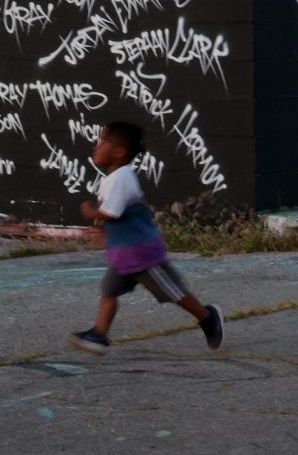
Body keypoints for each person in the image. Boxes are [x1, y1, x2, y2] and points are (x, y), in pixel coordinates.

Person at [67, 120, 224, 355]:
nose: (95, 147)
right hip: (124, 256)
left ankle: (207, 317)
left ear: (119, 152)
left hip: (142, 255)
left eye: (102, 143)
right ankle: (98, 335)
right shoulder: (112, 179)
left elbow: (111, 213)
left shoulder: (122, 177)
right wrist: (102, 231)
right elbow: (116, 214)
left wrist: (90, 211)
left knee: (173, 292)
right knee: (109, 291)